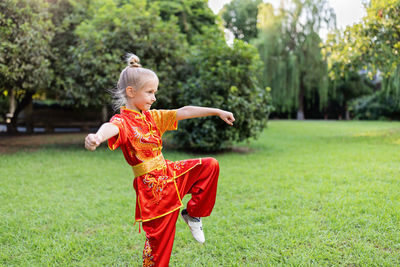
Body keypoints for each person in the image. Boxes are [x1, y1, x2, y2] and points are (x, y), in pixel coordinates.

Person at [84, 53, 235, 266]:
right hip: (152, 191)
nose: (154, 97)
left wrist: (217, 111)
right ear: (131, 92)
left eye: (155, 92)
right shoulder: (123, 121)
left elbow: (183, 111)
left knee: (210, 165)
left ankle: (193, 214)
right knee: (159, 245)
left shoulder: (152, 117)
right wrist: (98, 137)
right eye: (150, 92)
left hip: (170, 174)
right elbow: (111, 127)